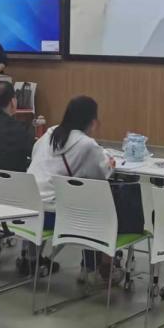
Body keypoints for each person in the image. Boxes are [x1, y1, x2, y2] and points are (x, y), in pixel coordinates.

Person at [27, 95, 115, 283]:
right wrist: (110, 163)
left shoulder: (49, 134)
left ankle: (32, 259)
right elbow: (99, 175)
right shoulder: (86, 144)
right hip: (54, 216)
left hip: (28, 210)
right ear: (92, 121)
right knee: (96, 205)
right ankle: (91, 269)